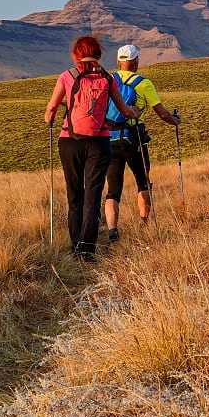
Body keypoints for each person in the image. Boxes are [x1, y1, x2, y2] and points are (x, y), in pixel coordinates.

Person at [44, 36, 139, 260]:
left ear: (76, 54)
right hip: (99, 142)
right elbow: (124, 110)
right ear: (98, 54)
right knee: (93, 195)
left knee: (74, 194)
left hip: (70, 141)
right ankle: (87, 249)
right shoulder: (107, 78)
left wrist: (49, 119)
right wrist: (134, 113)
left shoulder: (67, 76)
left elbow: (51, 109)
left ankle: (75, 244)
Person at [103, 44, 180, 242]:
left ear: (119, 61)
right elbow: (162, 113)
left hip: (109, 138)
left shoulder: (108, 80)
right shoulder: (144, 84)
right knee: (142, 181)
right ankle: (144, 223)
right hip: (133, 139)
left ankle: (112, 230)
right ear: (135, 61)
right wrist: (175, 121)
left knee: (113, 188)